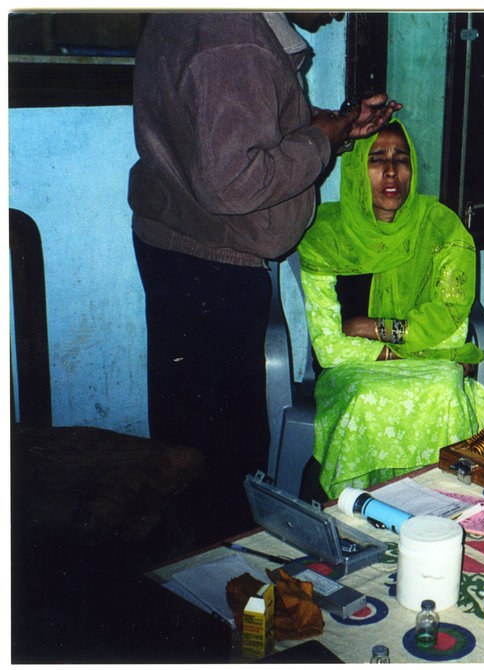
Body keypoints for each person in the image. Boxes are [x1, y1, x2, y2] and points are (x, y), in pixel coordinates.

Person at [128, 12, 400, 536]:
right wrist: (320, 141)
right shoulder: (233, 40)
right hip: (212, 263)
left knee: (188, 443)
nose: (340, 11)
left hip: (183, 244)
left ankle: (198, 570)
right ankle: (223, 578)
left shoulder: (219, 25)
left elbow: (235, 127)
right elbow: (234, 181)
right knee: (223, 457)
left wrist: (337, 125)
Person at [297, 120, 484, 499]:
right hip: (353, 373)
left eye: (400, 158)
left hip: (418, 368)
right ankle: (358, 514)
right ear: (358, 167)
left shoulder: (441, 227)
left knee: (444, 389)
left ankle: (446, 507)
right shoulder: (326, 236)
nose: (391, 171)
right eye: (376, 159)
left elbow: (452, 327)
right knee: (363, 400)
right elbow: (329, 348)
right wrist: (407, 346)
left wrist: (368, 326)